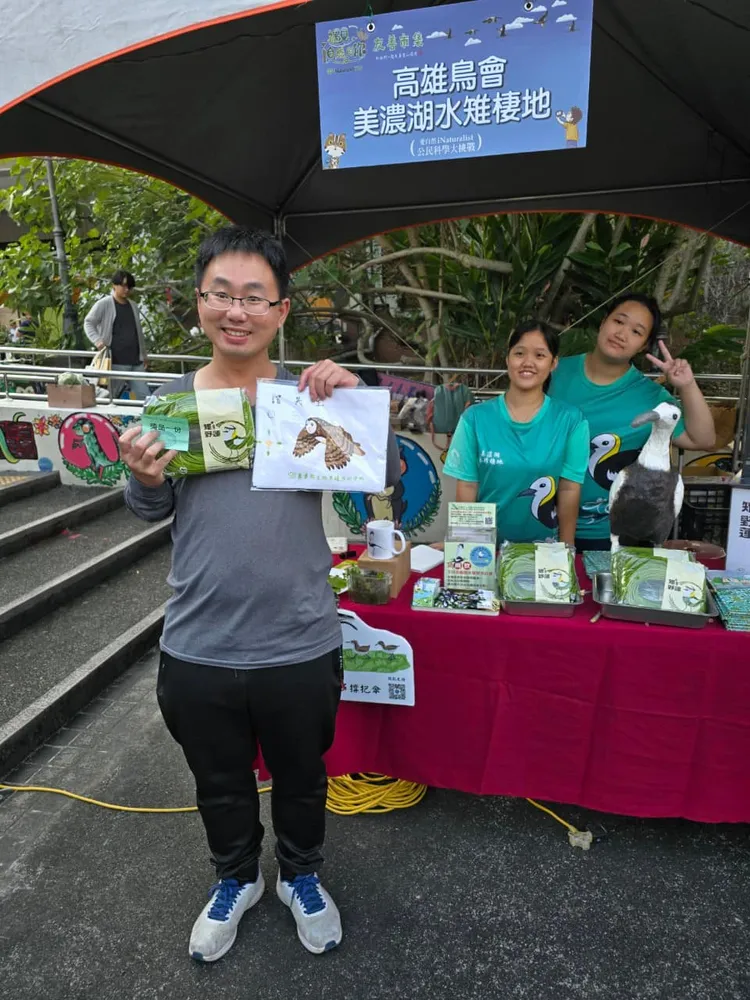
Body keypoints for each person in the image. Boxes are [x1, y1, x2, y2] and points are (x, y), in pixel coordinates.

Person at [120, 225, 400, 964]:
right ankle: (236, 876)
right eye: (221, 294)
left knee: (304, 779)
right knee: (219, 782)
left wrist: (359, 398)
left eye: (254, 297)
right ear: (200, 304)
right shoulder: (171, 404)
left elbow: (383, 472)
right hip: (198, 641)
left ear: (281, 312)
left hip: (300, 637)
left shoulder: (307, 400)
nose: (235, 310)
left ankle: (301, 874)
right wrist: (144, 478)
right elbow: (150, 511)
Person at [548, 294, 715, 550]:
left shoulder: (651, 396)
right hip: (547, 528)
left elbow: (702, 439)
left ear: (643, 346)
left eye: (636, 331)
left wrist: (687, 385)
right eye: (618, 321)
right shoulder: (553, 373)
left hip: (618, 537)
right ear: (603, 322)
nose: (622, 334)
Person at [444, 321, 589, 545]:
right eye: (519, 353)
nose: (527, 363)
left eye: (540, 355)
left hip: (544, 551)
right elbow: (468, 486)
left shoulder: (571, 421)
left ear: (553, 363)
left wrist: (566, 549)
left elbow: (569, 489)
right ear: (508, 359)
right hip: (486, 550)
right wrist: (463, 547)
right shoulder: (474, 419)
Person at [83, 269, 148, 400]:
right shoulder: (104, 303)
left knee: (145, 396)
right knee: (110, 397)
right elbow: (89, 322)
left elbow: (138, 332)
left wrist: (144, 355)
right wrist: (97, 340)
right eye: (123, 285)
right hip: (114, 361)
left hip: (135, 362)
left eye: (129, 286)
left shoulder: (133, 305)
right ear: (114, 285)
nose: (126, 289)